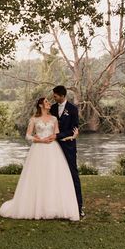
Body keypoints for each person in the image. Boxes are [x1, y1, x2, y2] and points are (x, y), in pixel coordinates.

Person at [0, 97, 81, 221]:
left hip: (53, 150)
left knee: (52, 176)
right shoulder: (34, 119)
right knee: (38, 176)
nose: (49, 103)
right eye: (47, 102)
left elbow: (56, 134)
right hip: (38, 149)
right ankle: (36, 206)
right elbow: (27, 135)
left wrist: (70, 137)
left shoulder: (54, 119)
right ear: (41, 105)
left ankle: (52, 206)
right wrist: (39, 140)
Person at [50, 85, 83, 216]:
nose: (54, 97)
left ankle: (78, 207)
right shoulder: (52, 108)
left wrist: (58, 136)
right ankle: (57, 206)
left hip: (68, 147)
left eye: (55, 96)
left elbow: (74, 129)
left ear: (62, 96)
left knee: (73, 175)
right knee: (55, 176)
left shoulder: (73, 109)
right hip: (54, 148)